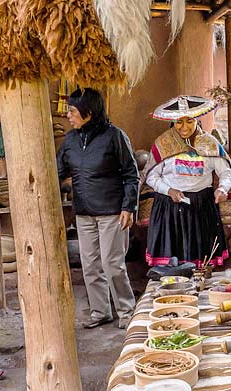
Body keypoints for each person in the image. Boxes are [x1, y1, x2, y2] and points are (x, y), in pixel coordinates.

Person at [57, 88, 139, 329]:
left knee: (112, 264)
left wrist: (129, 207)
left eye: (72, 111)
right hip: (83, 213)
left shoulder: (115, 136)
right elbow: (58, 171)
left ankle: (126, 311)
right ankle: (100, 311)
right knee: (90, 265)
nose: (68, 116)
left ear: (88, 113)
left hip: (112, 212)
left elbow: (131, 174)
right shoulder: (71, 140)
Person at [145, 96, 231, 268]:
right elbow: (151, 176)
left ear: (197, 121)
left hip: (201, 209)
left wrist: (223, 188)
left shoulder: (210, 144)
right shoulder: (163, 144)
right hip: (169, 209)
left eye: (189, 121)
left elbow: (226, 172)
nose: (184, 127)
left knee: (202, 262)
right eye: (179, 122)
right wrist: (168, 190)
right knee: (171, 265)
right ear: (173, 122)